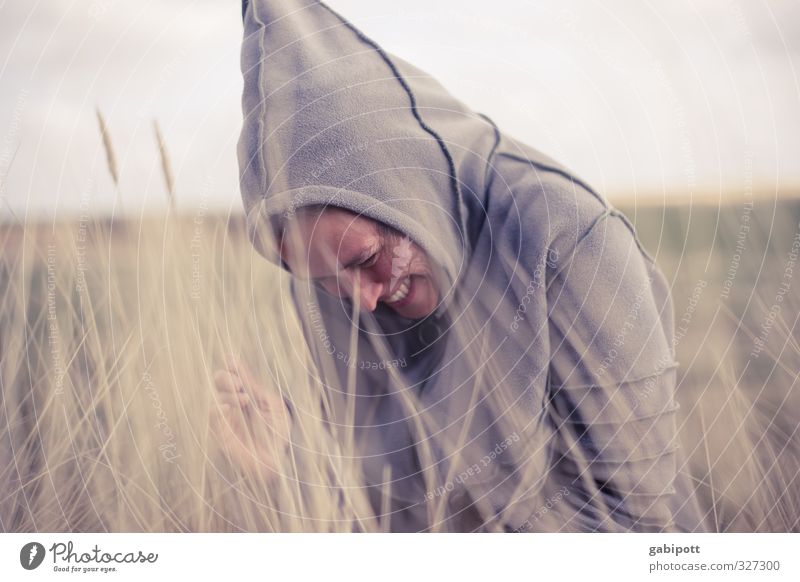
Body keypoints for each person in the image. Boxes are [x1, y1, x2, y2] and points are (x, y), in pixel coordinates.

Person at [216, 0, 708, 532]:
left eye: (367, 259)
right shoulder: (331, 281)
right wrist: (295, 456)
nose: (361, 299)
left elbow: (633, 520)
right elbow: (383, 500)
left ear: (401, 190)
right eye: (323, 281)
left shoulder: (565, 239)